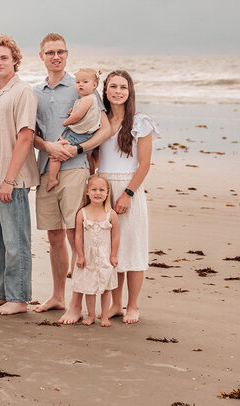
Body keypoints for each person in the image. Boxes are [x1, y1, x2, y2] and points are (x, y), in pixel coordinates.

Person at [32, 33, 111, 325]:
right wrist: (47, 147)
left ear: (67, 54)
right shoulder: (35, 92)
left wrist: (79, 148)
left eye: (60, 51)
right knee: (54, 237)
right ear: (41, 56)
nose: (55, 56)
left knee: (75, 237)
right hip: (45, 171)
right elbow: (32, 135)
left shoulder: (82, 88)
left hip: (76, 170)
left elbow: (105, 130)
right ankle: (57, 296)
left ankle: (78, 304)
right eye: (50, 52)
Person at [0, 36, 40, 315]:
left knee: (16, 241)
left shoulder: (23, 91)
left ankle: (19, 298)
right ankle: (3, 293)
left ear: (15, 60)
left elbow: (26, 137)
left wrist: (10, 179)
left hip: (11, 180)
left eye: (4, 57)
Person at [98, 70, 158, 325]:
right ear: (106, 91)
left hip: (128, 188)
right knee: (110, 250)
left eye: (123, 87)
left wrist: (128, 194)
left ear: (130, 91)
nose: (118, 91)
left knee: (132, 249)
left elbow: (144, 164)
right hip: (103, 188)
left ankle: (132, 305)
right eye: (113, 86)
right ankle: (115, 304)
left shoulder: (140, 122)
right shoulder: (100, 120)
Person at [71, 174, 119, 326]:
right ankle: (91, 315)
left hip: (105, 257)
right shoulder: (82, 213)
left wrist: (113, 255)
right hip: (88, 257)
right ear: (87, 192)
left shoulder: (111, 214)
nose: (97, 193)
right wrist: (80, 255)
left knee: (106, 288)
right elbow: (78, 236)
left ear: (107, 192)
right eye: (94, 189)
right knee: (89, 287)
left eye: (101, 190)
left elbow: (116, 237)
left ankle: (104, 316)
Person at [46, 68, 101, 192]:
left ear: (94, 85)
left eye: (85, 82)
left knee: (56, 154)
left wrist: (67, 121)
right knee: (89, 157)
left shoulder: (88, 99)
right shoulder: (86, 99)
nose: (80, 84)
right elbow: (79, 111)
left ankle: (52, 179)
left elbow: (78, 115)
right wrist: (73, 111)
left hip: (80, 134)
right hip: (86, 135)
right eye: (77, 82)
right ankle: (92, 176)